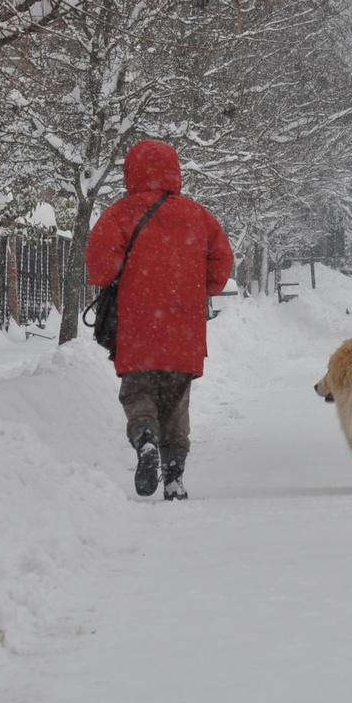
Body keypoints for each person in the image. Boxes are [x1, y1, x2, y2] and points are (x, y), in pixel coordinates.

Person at [87, 140, 234, 499]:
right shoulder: (199, 216)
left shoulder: (119, 214)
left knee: (138, 392)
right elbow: (222, 264)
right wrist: (197, 288)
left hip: (138, 325)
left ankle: (145, 437)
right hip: (184, 327)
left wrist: (132, 278)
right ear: (175, 171)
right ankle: (173, 476)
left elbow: (101, 269)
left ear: (130, 172)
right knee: (176, 401)